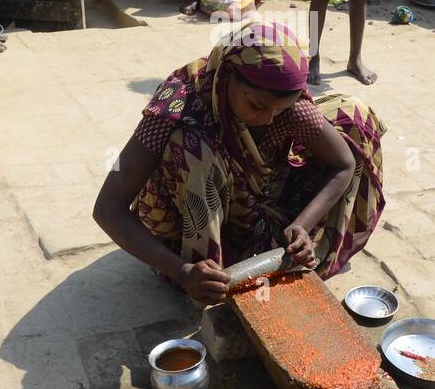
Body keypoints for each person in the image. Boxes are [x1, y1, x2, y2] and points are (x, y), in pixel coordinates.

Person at [92, 21, 387, 305]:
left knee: (354, 117)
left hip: (257, 202)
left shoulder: (286, 108)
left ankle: (289, 252)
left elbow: (344, 164)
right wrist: (181, 272)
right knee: (195, 149)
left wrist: (301, 226)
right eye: (257, 106)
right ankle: (207, 278)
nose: (268, 119)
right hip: (185, 222)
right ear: (227, 75)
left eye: (280, 109)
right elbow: (108, 209)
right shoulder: (178, 103)